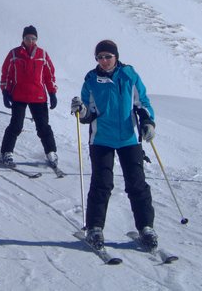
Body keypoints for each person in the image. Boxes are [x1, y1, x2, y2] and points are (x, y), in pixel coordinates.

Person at [71, 39, 158, 250]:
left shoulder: (129, 75)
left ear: (116, 56)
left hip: (129, 138)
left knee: (137, 184)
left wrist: (147, 121)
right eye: (99, 57)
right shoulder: (91, 80)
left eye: (107, 56)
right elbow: (87, 114)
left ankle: (146, 227)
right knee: (102, 184)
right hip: (101, 139)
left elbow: (142, 102)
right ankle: (94, 228)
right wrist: (80, 110)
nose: (104, 61)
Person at [0, 25, 59, 168]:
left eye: (33, 38)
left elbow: (49, 75)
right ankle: (6, 153)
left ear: (36, 39)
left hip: (38, 96)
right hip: (18, 95)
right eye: (27, 38)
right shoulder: (14, 54)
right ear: (23, 39)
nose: (30, 41)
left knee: (43, 126)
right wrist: (5, 91)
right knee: (16, 125)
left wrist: (52, 93)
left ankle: (51, 152)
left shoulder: (42, 55)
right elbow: (5, 72)